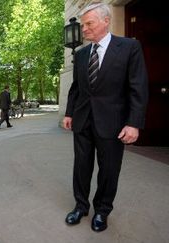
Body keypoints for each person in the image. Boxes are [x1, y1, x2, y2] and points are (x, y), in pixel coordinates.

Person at [63, 2, 148, 232]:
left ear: (106, 21)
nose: (85, 29)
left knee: (109, 169)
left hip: (113, 123)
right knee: (81, 167)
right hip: (82, 121)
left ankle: (102, 211)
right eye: (83, 24)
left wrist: (134, 123)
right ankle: (81, 206)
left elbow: (138, 87)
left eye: (89, 24)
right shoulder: (81, 55)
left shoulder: (130, 47)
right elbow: (76, 88)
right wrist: (69, 113)